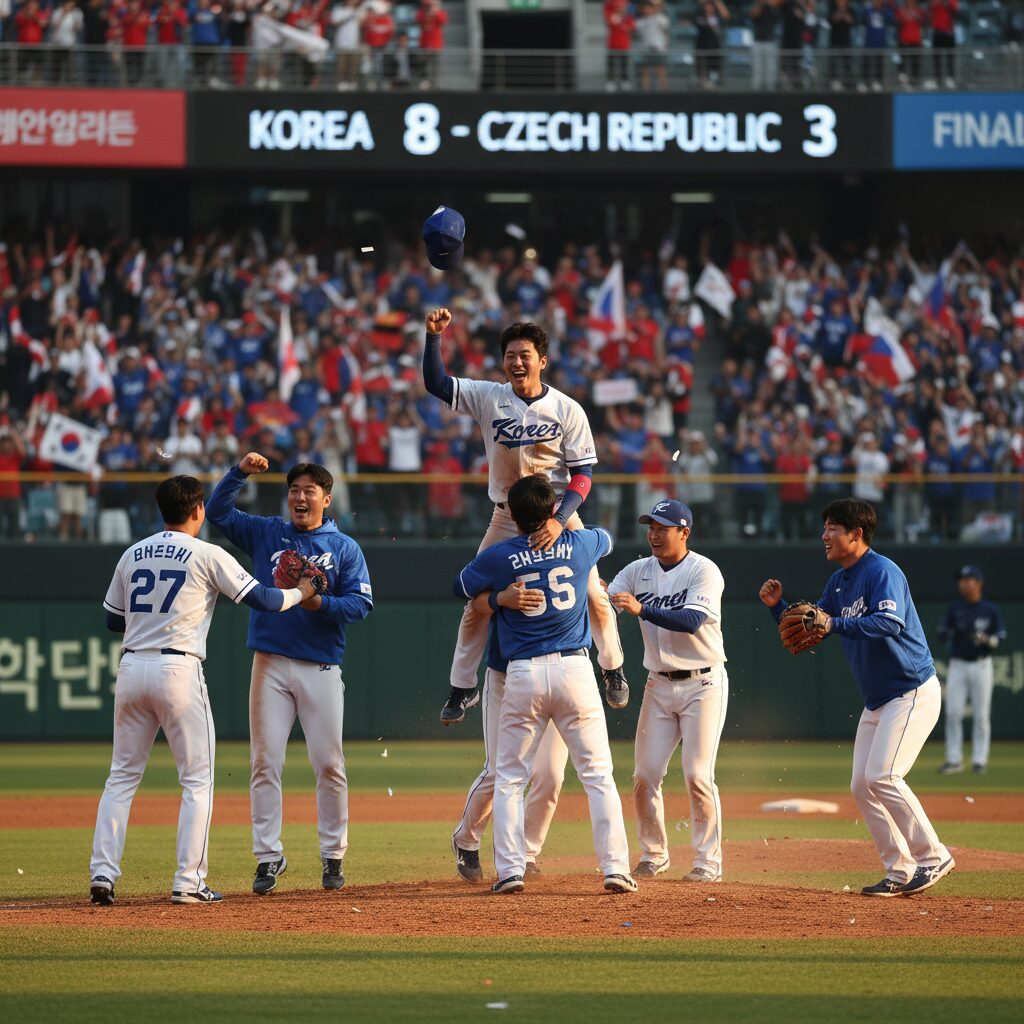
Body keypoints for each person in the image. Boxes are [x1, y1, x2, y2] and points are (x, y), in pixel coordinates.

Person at [424, 307, 628, 879]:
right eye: (510, 354)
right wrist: (432, 337)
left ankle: (612, 669)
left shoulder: (567, 409)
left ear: (542, 360)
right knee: (475, 608)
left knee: (594, 594)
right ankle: (461, 687)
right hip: (506, 518)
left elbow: (584, 473)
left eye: (525, 355)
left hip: (559, 517)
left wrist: (564, 519)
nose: (517, 362)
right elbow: (437, 384)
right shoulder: (491, 396)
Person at [90, 475, 321, 906]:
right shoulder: (207, 553)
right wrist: (303, 590)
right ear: (198, 511)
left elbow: (112, 620)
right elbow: (267, 601)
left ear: (163, 511)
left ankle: (102, 876)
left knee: (121, 777)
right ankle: (188, 882)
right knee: (197, 780)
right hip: (178, 667)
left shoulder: (133, 553)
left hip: (132, 664)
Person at [759, 498, 954, 897]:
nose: (824, 535)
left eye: (833, 527)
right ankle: (898, 869)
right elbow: (812, 625)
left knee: (883, 776)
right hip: (879, 699)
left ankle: (933, 856)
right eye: (825, 527)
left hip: (911, 690)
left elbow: (888, 621)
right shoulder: (839, 582)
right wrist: (778, 607)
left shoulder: (882, 570)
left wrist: (833, 622)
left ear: (856, 533)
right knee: (862, 786)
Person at [454, 474, 636, 895]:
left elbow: (460, 586)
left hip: (524, 674)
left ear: (512, 517)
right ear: (552, 511)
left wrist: (499, 594)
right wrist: (563, 520)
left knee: (511, 778)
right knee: (598, 776)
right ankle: (615, 869)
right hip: (575, 671)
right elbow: (606, 538)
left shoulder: (501, 554)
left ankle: (510, 871)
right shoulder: (580, 544)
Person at [207, 452, 373, 895]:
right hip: (271, 663)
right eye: (294, 490)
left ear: (326, 499)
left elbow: (360, 605)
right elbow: (218, 512)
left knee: (330, 765)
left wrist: (317, 602)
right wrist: (238, 472)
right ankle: (267, 858)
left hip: (321, 666)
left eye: (309, 491)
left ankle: (333, 855)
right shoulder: (267, 532)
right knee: (264, 762)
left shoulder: (344, 548)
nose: (300, 497)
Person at [607, 500, 728, 882]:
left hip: (703, 683)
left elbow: (691, 620)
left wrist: (641, 610)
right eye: (651, 527)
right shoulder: (636, 571)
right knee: (644, 775)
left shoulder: (703, 570)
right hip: (658, 684)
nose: (654, 534)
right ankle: (654, 854)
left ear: (684, 532)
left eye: (663, 527)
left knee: (697, 774)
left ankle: (708, 862)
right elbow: (605, 604)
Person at [937, 566, 1005, 775]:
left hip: (982, 664)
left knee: (981, 716)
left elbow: (1000, 637)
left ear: (979, 583)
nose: (963, 583)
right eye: (962, 579)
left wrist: (987, 639)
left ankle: (979, 760)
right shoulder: (955, 608)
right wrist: (951, 632)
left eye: (968, 579)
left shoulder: (989, 609)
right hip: (958, 665)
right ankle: (954, 759)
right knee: (953, 713)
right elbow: (941, 633)